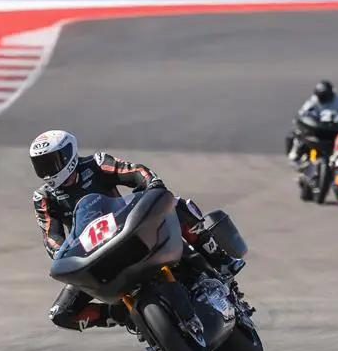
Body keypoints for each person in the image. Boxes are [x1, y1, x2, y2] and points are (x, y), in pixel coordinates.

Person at [31, 129, 244, 332]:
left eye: (52, 161)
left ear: (69, 154)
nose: (48, 170)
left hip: (127, 228)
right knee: (61, 314)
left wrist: (151, 183)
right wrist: (60, 252)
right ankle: (120, 314)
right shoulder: (44, 197)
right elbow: (51, 235)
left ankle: (218, 258)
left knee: (176, 204)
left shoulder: (95, 163)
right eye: (41, 165)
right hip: (93, 254)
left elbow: (132, 171)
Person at [287, 80, 338, 167]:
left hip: (332, 129)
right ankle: (296, 153)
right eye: (322, 96)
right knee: (298, 132)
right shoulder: (313, 100)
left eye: (325, 95)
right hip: (317, 128)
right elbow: (302, 113)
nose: (324, 98)